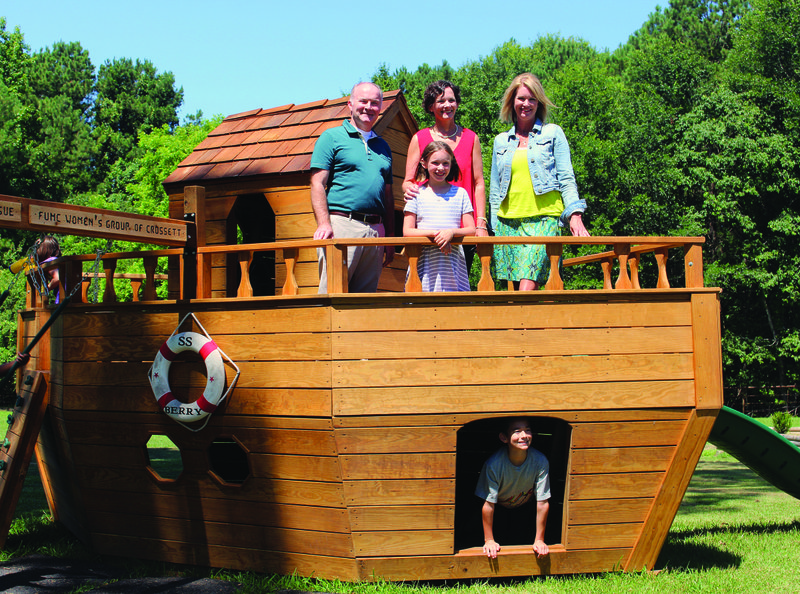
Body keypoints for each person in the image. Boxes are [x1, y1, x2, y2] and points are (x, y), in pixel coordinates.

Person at [488, 73, 590, 291]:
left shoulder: (553, 133)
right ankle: (519, 327)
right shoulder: (501, 141)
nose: (526, 104)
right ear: (511, 102)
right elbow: (495, 190)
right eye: (521, 98)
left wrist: (575, 214)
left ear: (539, 102)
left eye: (532, 99)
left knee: (527, 287)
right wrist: (493, 229)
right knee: (515, 292)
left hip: (544, 220)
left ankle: (519, 326)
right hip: (508, 223)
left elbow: (566, 178)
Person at [311, 82, 395, 293]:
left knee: (364, 303)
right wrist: (324, 224)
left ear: (381, 108)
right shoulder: (331, 137)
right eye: (363, 101)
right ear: (350, 104)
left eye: (374, 103)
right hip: (342, 225)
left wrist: (391, 238)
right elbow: (317, 183)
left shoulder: (383, 147)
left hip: (376, 231)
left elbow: (388, 196)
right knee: (333, 295)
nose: (368, 107)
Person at [403, 80, 487, 272]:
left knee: (457, 281)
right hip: (428, 230)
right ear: (431, 106)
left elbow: (479, 183)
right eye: (441, 101)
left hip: (463, 229)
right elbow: (407, 182)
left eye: (451, 100)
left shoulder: (471, 138)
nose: (447, 105)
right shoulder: (419, 138)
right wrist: (409, 190)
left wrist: (480, 224)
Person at [403, 141, 475, 292]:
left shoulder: (460, 193)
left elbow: (471, 229)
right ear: (424, 163)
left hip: (453, 265)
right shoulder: (415, 193)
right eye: (435, 163)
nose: (441, 168)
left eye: (445, 163)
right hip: (425, 264)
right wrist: (438, 234)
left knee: (453, 309)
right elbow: (407, 231)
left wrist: (451, 232)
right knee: (422, 309)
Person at [475, 417, 550, 559]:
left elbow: (543, 502)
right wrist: (489, 540)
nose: (524, 436)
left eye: (528, 430)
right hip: (499, 511)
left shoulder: (540, 461)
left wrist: (539, 540)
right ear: (504, 437)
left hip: (524, 510)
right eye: (517, 431)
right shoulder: (494, 464)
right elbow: (488, 504)